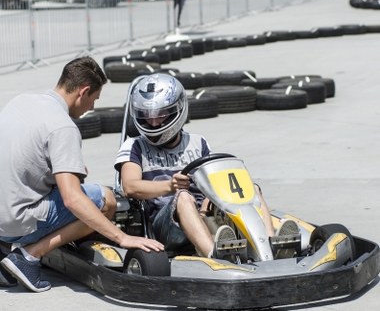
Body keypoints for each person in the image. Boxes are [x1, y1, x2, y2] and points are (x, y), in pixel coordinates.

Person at [0, 57, 164, 293]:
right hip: (17, 222)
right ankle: (28, 257)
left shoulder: (21, 101)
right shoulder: (63, 127)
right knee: (104, 199)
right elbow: (72, 200)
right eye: (94, 100)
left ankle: (3, 249)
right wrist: (121, 237)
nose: (93, 108)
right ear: (83, 92)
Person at [114, 73, 277, 259]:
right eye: (146, 116)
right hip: (165, 226)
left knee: (251, 189)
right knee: (183, 197)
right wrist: (169, 186)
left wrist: (209, 203)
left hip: (203, 214)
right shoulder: (135, 146)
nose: (153, 122)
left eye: (160, 115)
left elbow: (213, 181)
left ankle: (269, 246)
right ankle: (214, 255)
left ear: (178, 109)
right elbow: (130, 186)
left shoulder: (198, 142)